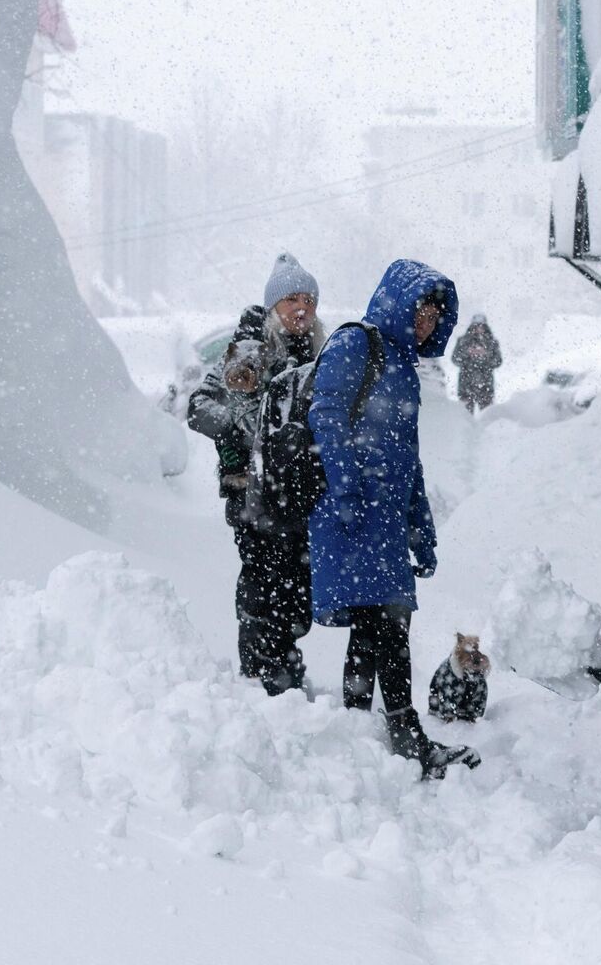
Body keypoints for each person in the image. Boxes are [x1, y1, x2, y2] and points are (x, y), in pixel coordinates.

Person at [309, 259, 480, 778]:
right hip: (351, 514)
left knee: (376, 627)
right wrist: (345, 488)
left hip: (382, 519)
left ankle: (360, 731)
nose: (427, 322)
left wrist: (421, 529)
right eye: (420, 311)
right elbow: (326, 415)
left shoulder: (405, 369)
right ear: (398, 304)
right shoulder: (355, 344)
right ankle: (405, 737)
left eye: (435, 316)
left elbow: (409, 459)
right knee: (387, 625)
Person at [186, 254, 324, 696]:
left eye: (309, 300)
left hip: (297, 497)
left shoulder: (318, 355)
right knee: (263, 584)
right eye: (291, 299)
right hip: (252, 496)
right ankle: (262, 674)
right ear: (273, 307)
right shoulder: (250, 349)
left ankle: (282, 665)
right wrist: (244, 430)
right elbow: (198, 407)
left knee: (297, 589)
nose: (301, 308)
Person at [452, 314, 503, 413]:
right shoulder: (463, 341)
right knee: (464, 416)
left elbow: (498, 361)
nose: (479, 329)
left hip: (486, 386)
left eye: (481, 326)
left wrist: (485, 355)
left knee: (487, 415)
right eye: (476, 326)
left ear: (485, 327)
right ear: (472, 326)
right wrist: (467, 353)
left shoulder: (491, 342)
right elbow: (455, 359)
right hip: (466, 385)